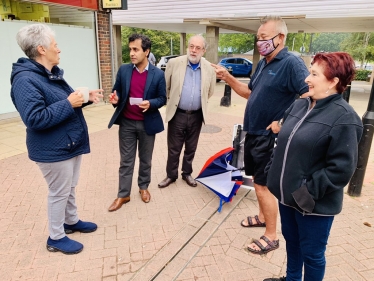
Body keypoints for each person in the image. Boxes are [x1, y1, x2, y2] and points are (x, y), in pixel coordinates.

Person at [213, 15, 310, 254]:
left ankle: (271, 235)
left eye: (264, 38)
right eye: (258, 38)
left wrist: (284, 121)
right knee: (257, 183)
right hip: (253, 133)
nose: (260, 43)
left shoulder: (291, 63)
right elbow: (249, 93)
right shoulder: (264, 63)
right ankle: (262, 216)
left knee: (263, 186)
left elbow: (309, 95)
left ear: (281, 37)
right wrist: (228, 78)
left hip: (269, 137)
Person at [263, 52, 363, 281]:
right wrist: (273, 173)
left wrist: (306, 192)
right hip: (286, 197)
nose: (307, 79)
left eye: (314, 74)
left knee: (313, 254)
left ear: (334, 81)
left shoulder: (345, 117)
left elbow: (342, 168)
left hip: (313, 204)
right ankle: (292, 278)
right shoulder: (300, 104)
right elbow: (283, 143)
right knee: (292, 243)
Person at [10, 23, 103, 255]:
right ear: (42, 49)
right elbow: (35, 118)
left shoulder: (48, 74)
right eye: (55, 45)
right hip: (52, 149)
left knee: (69, 187)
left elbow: (63, 101)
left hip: (68, 143)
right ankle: (56, 237)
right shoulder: (25, 80)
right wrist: (69, 103)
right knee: (59, 192)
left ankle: (71, 221)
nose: (59, 49)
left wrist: (86, 98)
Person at [107, 34, 166, 212]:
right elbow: (116, 92)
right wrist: (114, 99)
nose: (131, 53)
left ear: (146, 52)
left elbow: (163, 98)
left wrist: (151, 103)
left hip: (147, 124)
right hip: (126, 123)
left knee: (145, 159)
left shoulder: (158, 74)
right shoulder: (124, 70)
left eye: (136, 49)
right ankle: (123, 194)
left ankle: (143, 187)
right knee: (126, 161)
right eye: (130, 49)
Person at [158, 34, 216, 188]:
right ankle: (171, 175)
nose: (193, 50)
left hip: (197, 115)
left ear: (203, 50)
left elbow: (210, 91)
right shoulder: (174, 63)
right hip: (178, 114)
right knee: (174, 148)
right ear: (188, 47)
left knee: (191, 147)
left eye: (198, 48)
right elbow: (167, 87)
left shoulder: (209, 68)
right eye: (191, 46)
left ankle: (187, 173)